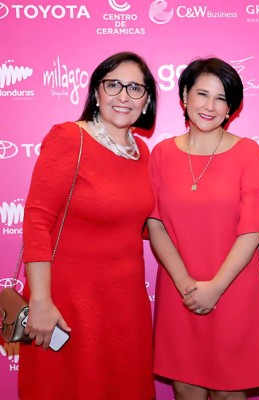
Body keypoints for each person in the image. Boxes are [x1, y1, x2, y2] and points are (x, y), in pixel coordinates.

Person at [20, 51, 157, 400]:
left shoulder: (143, 152)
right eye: (113, 84)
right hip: (67, 302)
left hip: (126, 304)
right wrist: (40, 299)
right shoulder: (69, 138)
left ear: (147, 100)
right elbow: (37, 220)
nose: (123, 95)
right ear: (96, 92)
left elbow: (145, 225)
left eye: (135, 88)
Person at [147, 57, 259, 400]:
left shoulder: (248, 152)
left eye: (221, 98)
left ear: (231, 106)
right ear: (185, 96)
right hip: (180, 290)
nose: (209, 106)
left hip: (233, 288)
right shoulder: (160, 154)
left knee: (227, 390)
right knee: (186, 387)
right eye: (202, 94)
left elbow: (252, 228)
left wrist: (216, 287)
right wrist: (184, 283)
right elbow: (155, 222)